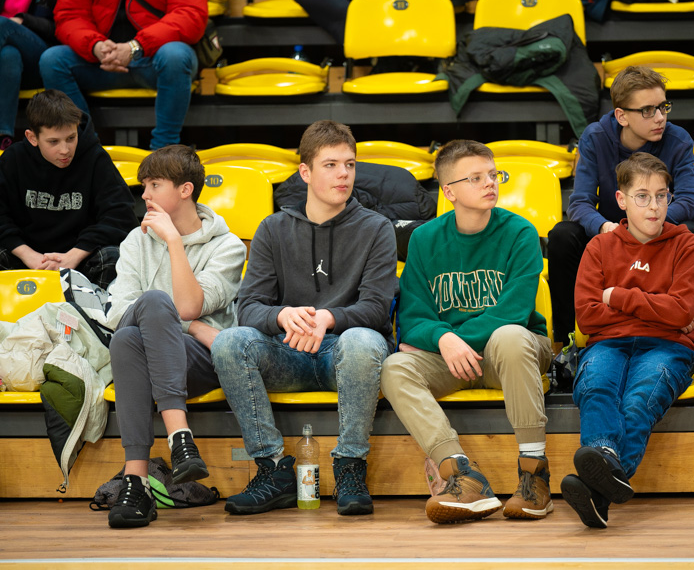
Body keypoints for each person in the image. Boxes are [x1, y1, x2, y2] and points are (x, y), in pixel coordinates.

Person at [211, 120, 398, 517]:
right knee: (229, 340)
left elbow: (378, 308)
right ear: (306, 172)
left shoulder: (376, 227)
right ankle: (272, 470)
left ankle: (350, 467)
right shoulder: (273, 228)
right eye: (330, 164)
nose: (343, 173)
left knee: (364, 340)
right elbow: (249, 307)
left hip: (345, 355)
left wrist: (328, 318)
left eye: (349, 164)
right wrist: (284, 315)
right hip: (289, 353)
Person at [380, 139, 554, 524]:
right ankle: (460, 473)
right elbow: (412, 317)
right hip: (451, 356)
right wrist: (444, 339)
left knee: (507, 336)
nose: (489, 183)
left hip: (515, 352)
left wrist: (454, 338)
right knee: (395, 367)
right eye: (475, 178)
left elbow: (515, 310)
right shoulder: (425, 240)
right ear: (449, 191)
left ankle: (534, 475)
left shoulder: (520, 232)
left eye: (492, 175)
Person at [559, 152, 694, 529]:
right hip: (609, 343)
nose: (654, 206)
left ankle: (598, 486)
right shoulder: (599, 248)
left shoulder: (686, 245)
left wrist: (617, 296)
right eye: (642, 196)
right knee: (597, 386)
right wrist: (657, 307)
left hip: (669, 346)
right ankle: (604, 473)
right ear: (621, 200)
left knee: (640, 399)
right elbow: (587, 317)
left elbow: (681, 313)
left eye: (661, 195)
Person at [104, 144, 246, 528]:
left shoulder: (228, 247)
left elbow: (187, 307)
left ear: (185, 190)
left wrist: (174, 243)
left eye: (153, 185)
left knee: (144, 318)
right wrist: (189, 325)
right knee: (128, 336)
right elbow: (118, 314)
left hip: (200, 362)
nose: (144, 195)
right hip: (160, 353)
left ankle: (137, 482)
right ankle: (173, 445)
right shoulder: (136, 241)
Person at [547, 65, 694, 348]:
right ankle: (567, 343)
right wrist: (606, 228)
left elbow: (693, 202)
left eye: (663, 107)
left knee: (693, 234)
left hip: (659, 233)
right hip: (609, 236)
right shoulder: (595, 137)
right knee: (562, 236)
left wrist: (652, 220)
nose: (659, 118)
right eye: (647, 110)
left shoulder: (677, 138)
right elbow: (580, 203)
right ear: (621, 116)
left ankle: (681, 329)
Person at [0, 89, 137, 289]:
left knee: (114, 258)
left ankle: (98, 319)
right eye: (53, 142)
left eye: (71, 138)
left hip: (80, 260)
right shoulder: (13, 159)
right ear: (32, 138)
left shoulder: (95, 158)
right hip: (26, 257)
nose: (65, 150)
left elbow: (121, 216)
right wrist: (27, 254)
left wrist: (75, 255)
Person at [39, 0, 206, 149]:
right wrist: (95, 46)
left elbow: (191, 14)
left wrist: (136, 47)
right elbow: (70, 16)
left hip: (156, 58)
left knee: (175, 56)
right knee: (52, 60)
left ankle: (164, 152)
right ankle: (87, 150)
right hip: (102, 61)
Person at [0, 0, 57, 150]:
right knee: (9, 55)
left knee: (2, 24)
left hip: (42, 56)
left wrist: (24, 21)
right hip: (6, 61)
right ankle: (3, 138)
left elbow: (59, 28)